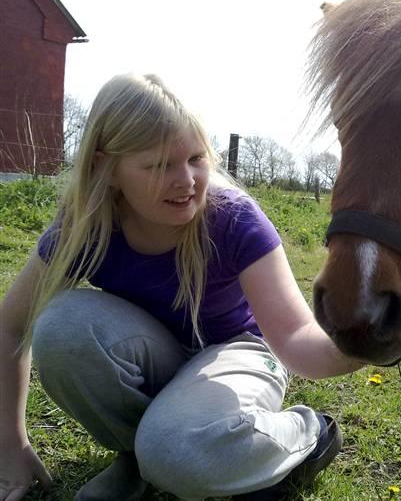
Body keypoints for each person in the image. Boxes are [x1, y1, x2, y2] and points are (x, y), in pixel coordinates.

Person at [0, 73, 362, 501]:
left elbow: (295, 338)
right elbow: (10, 327)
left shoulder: (233, 219)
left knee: (176, 451)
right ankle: (146, 456)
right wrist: (11, 445)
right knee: (62, 327)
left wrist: (364, 342)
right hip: (158, 356)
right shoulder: (87, 226)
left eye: (195, 158)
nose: (186, 180)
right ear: (105, 167)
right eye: (158, 165)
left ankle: (309, 433)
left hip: (240, 350)